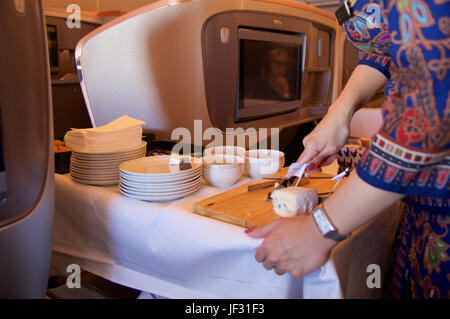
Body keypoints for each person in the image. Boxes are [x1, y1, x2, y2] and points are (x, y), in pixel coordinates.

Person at [246, 0, 449, 298]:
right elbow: (388, 50)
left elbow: (427, 118)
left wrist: (321, 229)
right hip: (421, 199)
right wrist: (339, 112)